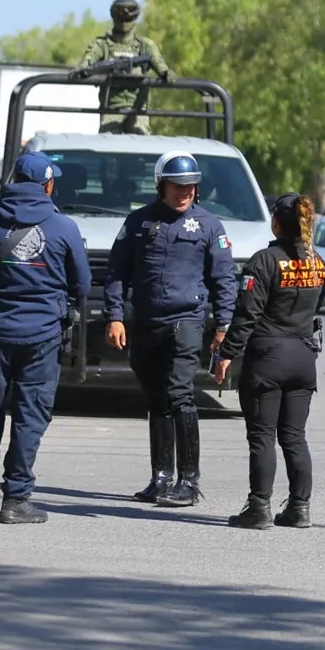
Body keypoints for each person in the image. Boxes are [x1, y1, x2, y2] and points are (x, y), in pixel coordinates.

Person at [0, 151, 90, 524]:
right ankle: (17, 500)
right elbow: (83, 284)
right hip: (42, 336)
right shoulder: (64, 228)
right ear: (48, 185)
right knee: (29, 417)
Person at [103, 151, 236, 507]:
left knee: (179, 394)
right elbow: (117, 272)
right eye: (178, 186)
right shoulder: (137, 223)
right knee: (157, 398)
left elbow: (224, 280)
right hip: (145, 322)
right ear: (161, 185)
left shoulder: (210, 226)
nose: (184, 193)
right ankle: (161, 477)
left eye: (191, 187)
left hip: (186, 321)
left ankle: (189, 481)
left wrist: (224, 326)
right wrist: (115, 316)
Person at [214, 193, 325, 530]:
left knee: (262, 435)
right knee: (294, 437)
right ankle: (299, 508)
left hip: (268, 359)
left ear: (276, 221)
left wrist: (226, 354)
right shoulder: (317, 263)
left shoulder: (263, 261)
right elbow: (316, 306)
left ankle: (259, 508)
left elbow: (246, 316)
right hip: (304, 359)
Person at [74, 0, 176, 135]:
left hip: (138, 108)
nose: (124, 19)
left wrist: (166, 73)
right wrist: (82, 70)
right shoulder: (101, 44)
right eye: (120, 15)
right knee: (107, 140)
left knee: (140, 138)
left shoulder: (145, 45)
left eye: (128, 16)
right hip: (111, 107)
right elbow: (87, 61)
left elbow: (160, 66)